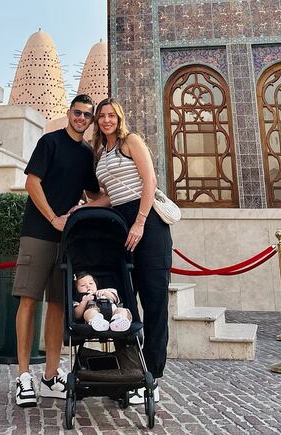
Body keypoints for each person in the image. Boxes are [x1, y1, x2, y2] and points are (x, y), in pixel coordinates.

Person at [12, 94, 101, 408]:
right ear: (69, 113)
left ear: (91, 121)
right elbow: (32, 184)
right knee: (28, 300)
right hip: (38, 233)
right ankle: (24, 376)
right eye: (77, 113)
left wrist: (128, 191)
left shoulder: (87, 154)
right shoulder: (49, 142)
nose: (81, 119)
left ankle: (50, 377)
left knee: (59, 306)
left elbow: (93, 193)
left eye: (87, 115)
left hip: (67, 242)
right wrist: (54, 218)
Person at [92, 97, 172, 404]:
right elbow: (110, 197)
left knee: (153, 301)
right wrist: (81, 208)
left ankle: (152, 377)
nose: (107, 120)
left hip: (147, 224)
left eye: (112, 115)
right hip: (119, 226)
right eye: (102, 116)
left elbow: (148, 180)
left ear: (119, 117)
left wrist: (139, 222)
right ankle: (129, 373)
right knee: (124, 303)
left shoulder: (130, 141)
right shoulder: (102, 152)